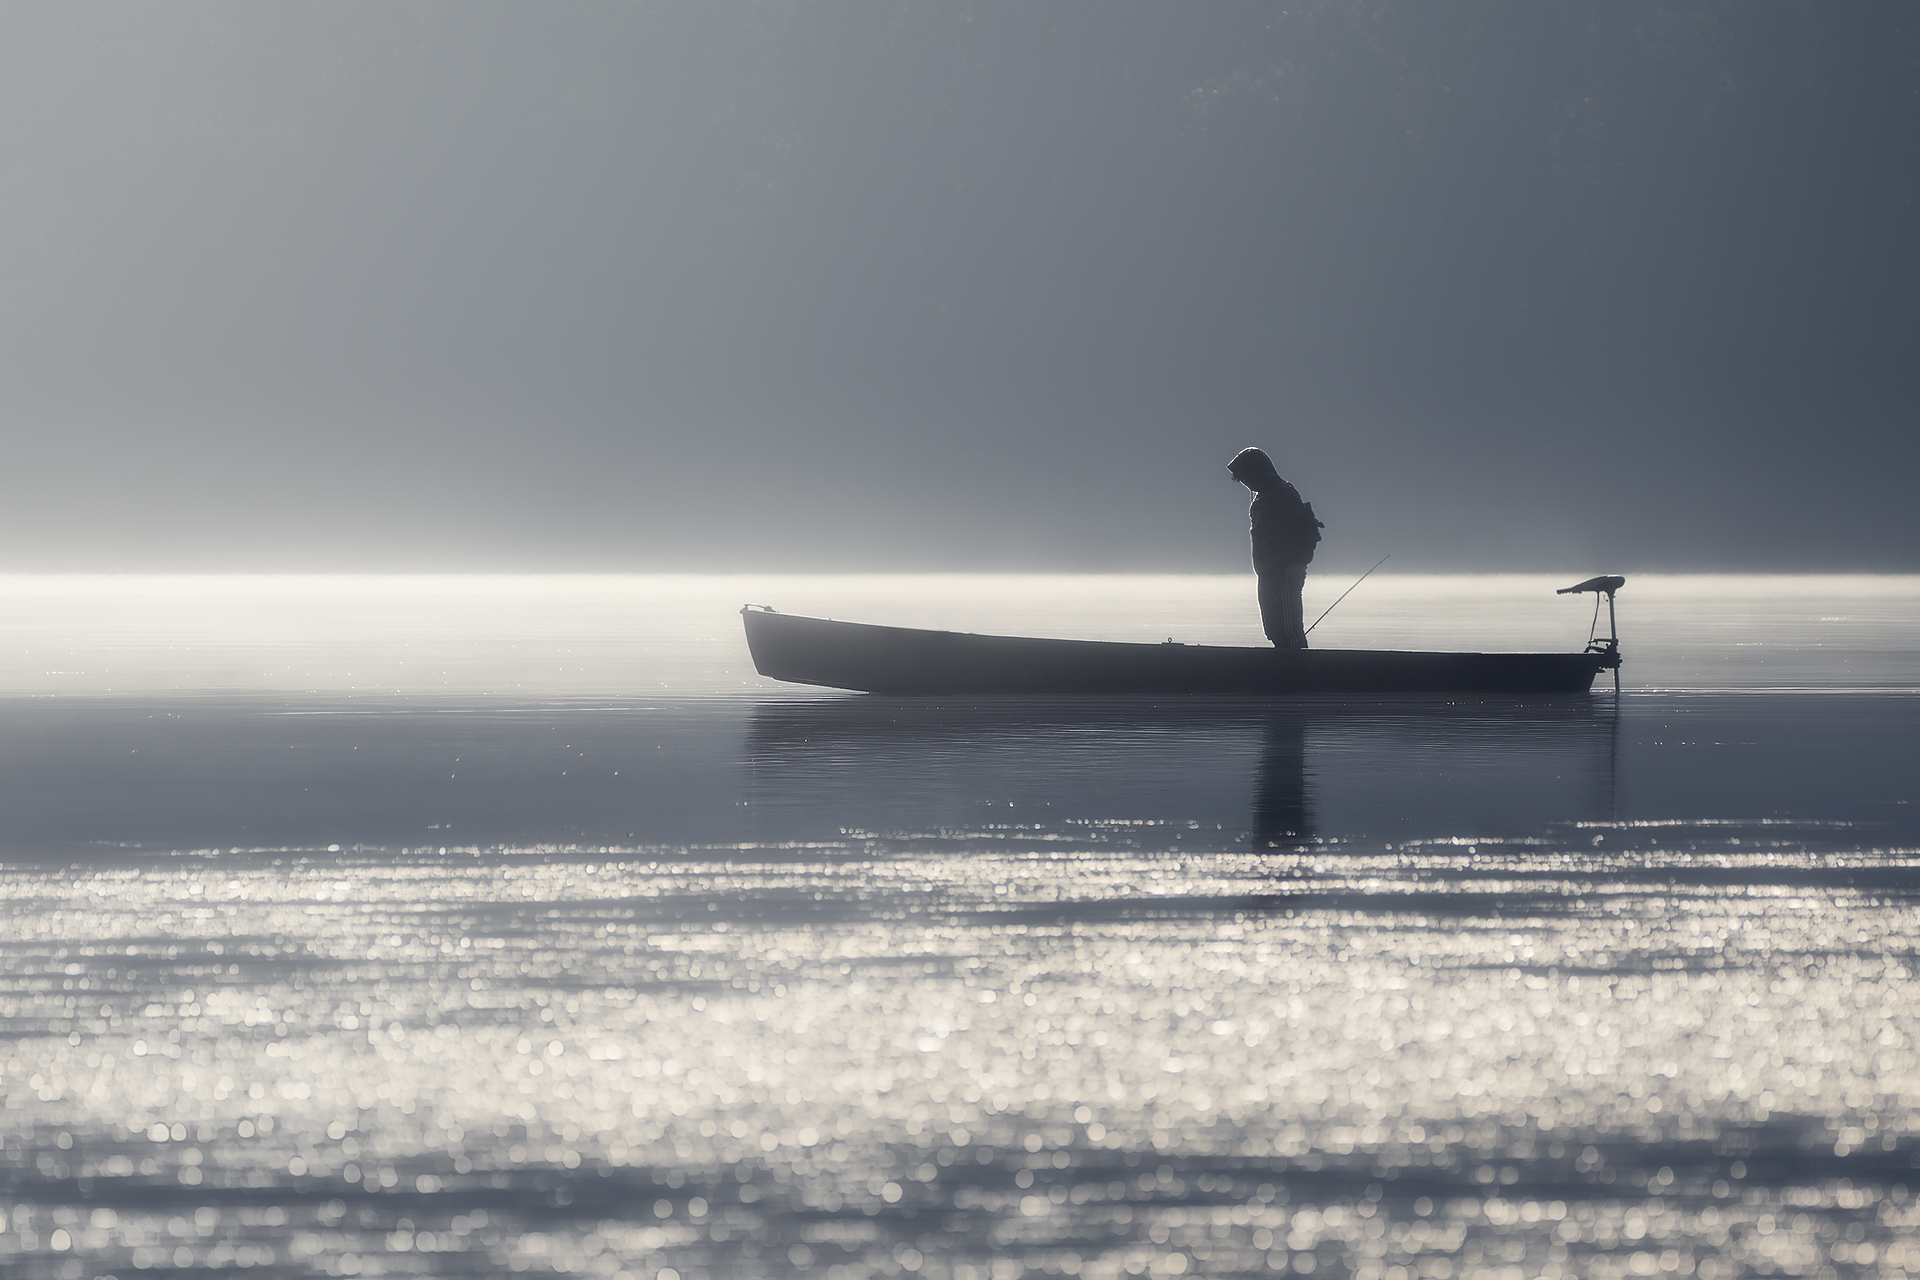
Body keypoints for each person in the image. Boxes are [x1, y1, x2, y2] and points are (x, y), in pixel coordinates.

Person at [1228, 447, 1322, 649]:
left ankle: (1298, 671)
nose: (1246, 483)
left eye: (1247, 477)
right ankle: (1282, 668)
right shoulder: (1260, 498)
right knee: (1273, 628)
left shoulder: (1284, 493)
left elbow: (1306, 527)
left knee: (1289, 629)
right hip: (1267, 574)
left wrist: (1300, 561)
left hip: (1286, 574)